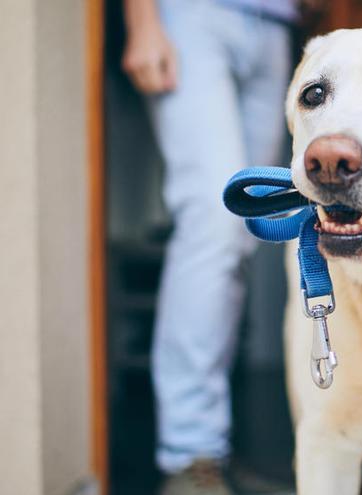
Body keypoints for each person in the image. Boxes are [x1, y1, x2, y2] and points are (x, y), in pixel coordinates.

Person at [122, 0, 299, 493]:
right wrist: (142, 20)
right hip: (192, 15)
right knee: (213, 226)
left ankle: (210, 451)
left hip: (277, 27)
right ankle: (188, 456)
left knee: (243, 232)